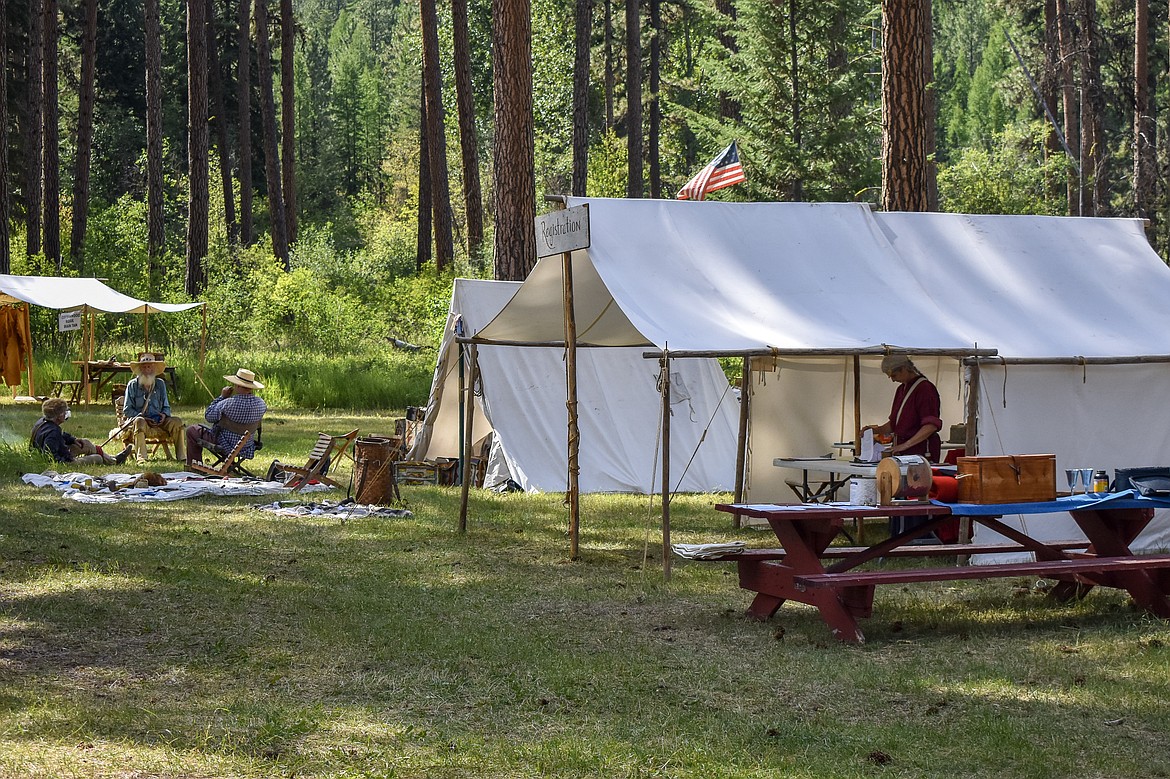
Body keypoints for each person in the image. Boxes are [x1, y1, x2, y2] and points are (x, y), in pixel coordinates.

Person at [863, 354, 942, 463]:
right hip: (902, 453)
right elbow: (895, 424)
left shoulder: (925, 389)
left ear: (904, 369)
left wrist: (905, 445)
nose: (893, 380)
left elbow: (930, 426)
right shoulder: (901, 389)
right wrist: (874, 431)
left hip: (920, 453)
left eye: (894, 375)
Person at [185, 368, 267, 468]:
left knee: (192, 430)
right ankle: (230, 465)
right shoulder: (261, 404)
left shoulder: (227, 403)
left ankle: (194, 466)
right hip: (246, 445)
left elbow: (209, 416)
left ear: (237, 385)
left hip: (224, 443)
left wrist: (222, 397)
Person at [121, 352, 186, 465]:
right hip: (141, 422)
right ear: (140, 369)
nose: (147, 369)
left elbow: (166, 406)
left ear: (154, 368)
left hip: (159, 422)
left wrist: (164, 415)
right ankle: (142, 458)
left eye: (149, 366)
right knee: (139, 421)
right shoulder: (132, 385)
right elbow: (127, 410)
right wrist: (143, 417)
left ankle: (182, 457)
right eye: (144, 367)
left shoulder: (160, 384)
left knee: (177, 422)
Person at [31, 398, 133, 465]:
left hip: (62, 453)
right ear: (59, 416)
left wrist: (72, 440)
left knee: (85, 443)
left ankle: (113, 459)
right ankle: (113, 461)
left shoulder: (44, 422)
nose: (66, 414)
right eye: (65, 412)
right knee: (97, 458)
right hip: (62, 461)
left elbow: (60, 436)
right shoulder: (53, 433)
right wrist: (69, 459)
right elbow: (49, 455)